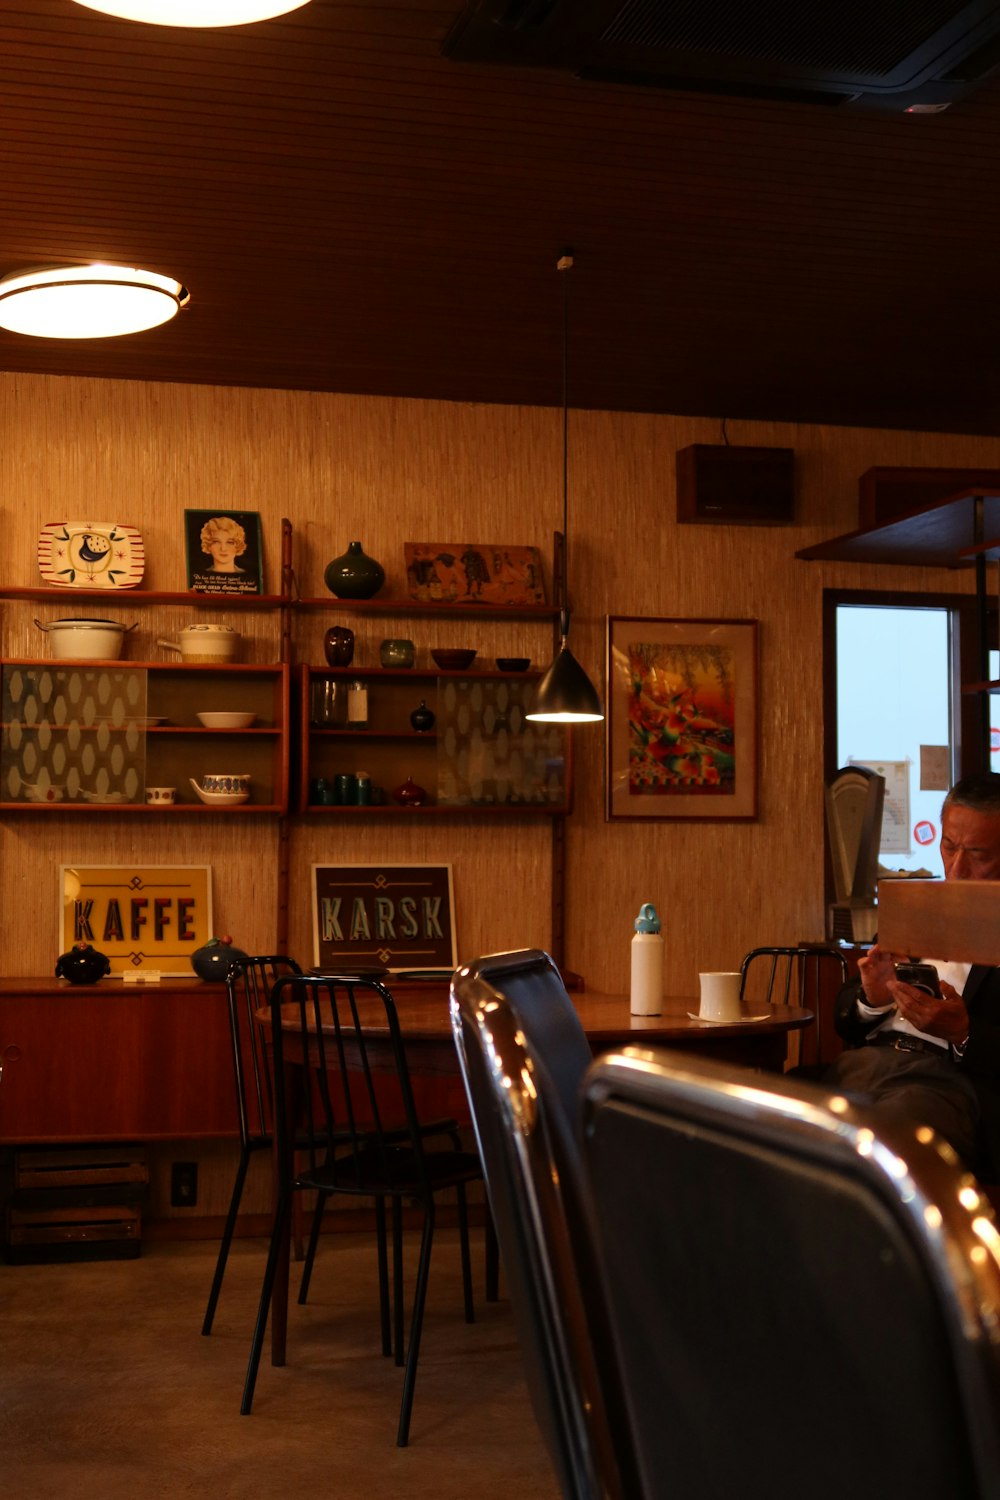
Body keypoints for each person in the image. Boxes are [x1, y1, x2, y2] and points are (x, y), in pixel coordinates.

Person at [828, 772, 1000, 1181]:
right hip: (866, 1065)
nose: (956, 868)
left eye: (977, 853)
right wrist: (871, 997)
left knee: (883, 1135)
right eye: (949, 846)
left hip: (947, 1081)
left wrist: (964, 1032)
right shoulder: (917, 906)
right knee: (773, 1121)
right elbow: (843, 1015)